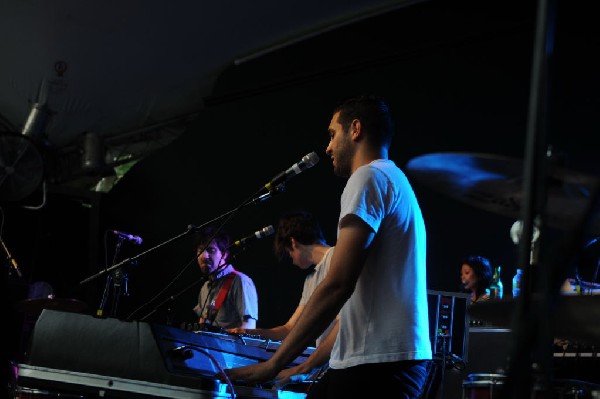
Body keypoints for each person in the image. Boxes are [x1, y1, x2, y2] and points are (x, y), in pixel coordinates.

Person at [223, 94, 432, 398]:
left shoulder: (368, 177)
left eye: (333, 134)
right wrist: (302, 367)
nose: (328, 147)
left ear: (355, 129)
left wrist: (272, 365)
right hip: (389, 362)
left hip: (377, 365)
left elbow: (337, 285)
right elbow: (348, 310)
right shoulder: (394, 179)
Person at [227, 210, 338, 388]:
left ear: (293, 242)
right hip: (327, 367)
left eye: (289, 253)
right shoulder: (311, 280)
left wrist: (304, 367)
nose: (292, 261)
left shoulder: (338, 258)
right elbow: (288, 329)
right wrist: (249, 332)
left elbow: (344, 323)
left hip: (344, 365)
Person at [193, 226, 258, 330]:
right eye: (201, 251)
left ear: (224, 254)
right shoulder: (205, 288)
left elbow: (249, 327)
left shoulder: (240, 281)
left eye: (211, 250)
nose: (204, 256)